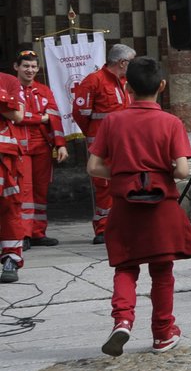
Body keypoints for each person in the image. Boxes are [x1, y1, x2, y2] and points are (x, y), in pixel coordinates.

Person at [86, 57, 191, 356]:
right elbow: (184, 171)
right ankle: (162, 333)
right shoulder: (171, 122)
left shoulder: (112, 121)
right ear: (162, 85)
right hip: (161, 207)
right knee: (162, 271)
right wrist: (163, 172)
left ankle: (122, 320)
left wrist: (122, 173)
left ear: (127, 86)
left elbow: (93, 166)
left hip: (125, 206)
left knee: (125, 266)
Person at [72, 43, 134, 243]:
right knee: (103, 184)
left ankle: (122, 224)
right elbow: (80, 114)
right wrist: (94, 135)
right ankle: (102, 227)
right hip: (102, 141)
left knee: (124, 181)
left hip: (124, 142)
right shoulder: (94, 81)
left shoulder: (126, 82)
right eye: (131, 62)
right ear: (123, 62)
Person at [13, 49, 66, 247]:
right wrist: (40, 118)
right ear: (16, 67)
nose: (30, 70)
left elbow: (54, 117)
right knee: (24, 191)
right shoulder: (9, 88)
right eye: (26, 66)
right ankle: (23, 234)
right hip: (19, 147)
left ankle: (37, 232)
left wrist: (60, 144)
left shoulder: (44, 90)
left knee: (41, 190)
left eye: (34, 66)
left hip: (42, 147)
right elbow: (15, 117)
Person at [0, 62, 25, 283]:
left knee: (10, 207)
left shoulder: (9, 81)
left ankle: (10, 258)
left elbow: (18, 115)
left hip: (4, 157)